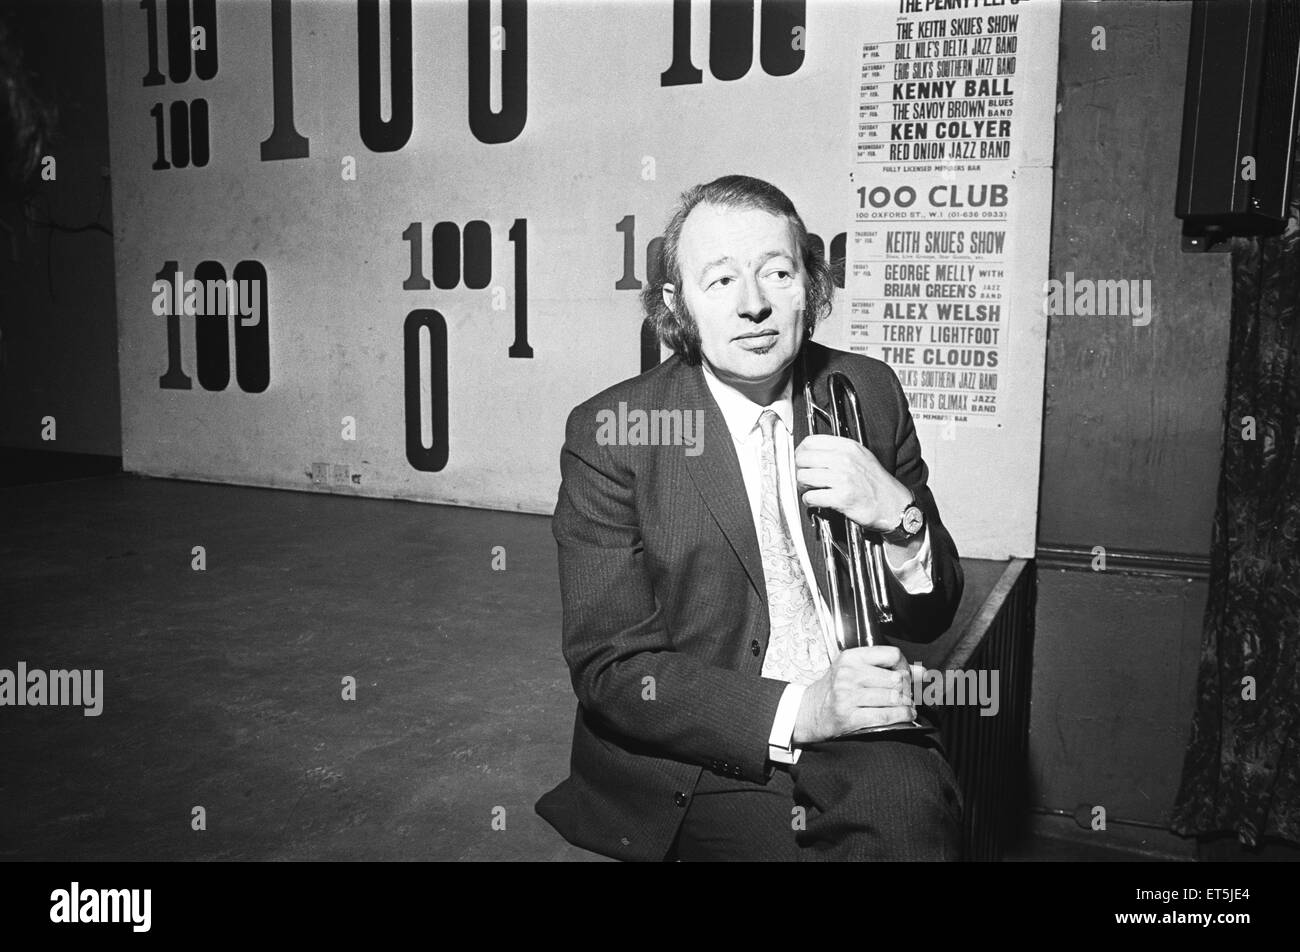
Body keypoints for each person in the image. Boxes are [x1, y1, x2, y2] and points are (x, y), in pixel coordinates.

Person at [536, 175, 965, 861]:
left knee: (912, 825)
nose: (755, 305)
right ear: (677, 307)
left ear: (811, 286)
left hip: (859, 711)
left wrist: (900, 518)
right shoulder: (614, 431)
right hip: (696, 742)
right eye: (722, 281)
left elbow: (933, 615)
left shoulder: (869, 391)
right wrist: (803, 711)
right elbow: (612, 669)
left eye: (778, 273)